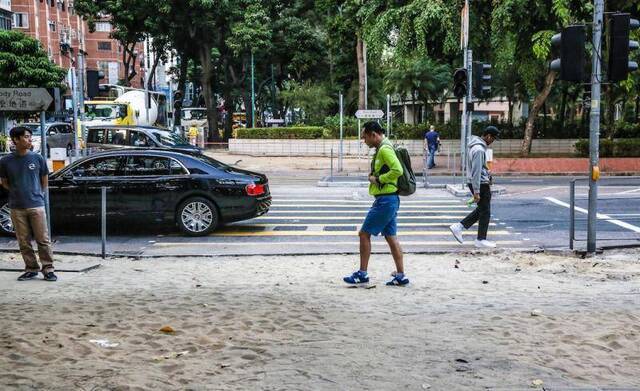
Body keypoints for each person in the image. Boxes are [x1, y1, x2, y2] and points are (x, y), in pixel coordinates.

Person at [343, 121, 409, 287]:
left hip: (385, 200)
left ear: (373, 134)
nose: (364, 141)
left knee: (364, 234)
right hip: (390, 199)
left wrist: (378, 179)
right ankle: (401, 276)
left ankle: (362, 274)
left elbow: (398, 170)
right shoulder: (383, 147)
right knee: (391, 237)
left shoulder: (385, 149)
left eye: (364, 137)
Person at [0, 127, 57, 281]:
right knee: (23, 240)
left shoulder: (37, 158)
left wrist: (37, 193)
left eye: (30, 137)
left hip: (36, 204)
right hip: (16, 206)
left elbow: (44, 179)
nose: (30, 139)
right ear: (16, 140)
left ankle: (48, 269)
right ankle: (31, 268)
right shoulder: (5, 161)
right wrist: (17, 191)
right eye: (26, 137)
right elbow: (4, 182)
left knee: (43, 239)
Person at [449, 125, 500, 248]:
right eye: (492, 139)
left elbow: (480, 168)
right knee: (485, 211)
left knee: (482, 209)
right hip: (480, 184)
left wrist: (487, 174)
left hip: (479, 183)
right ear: (488, 136)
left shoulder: (476, 147)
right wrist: (476, 191)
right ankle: (480, 239)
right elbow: (476, 171)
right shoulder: (479, 150)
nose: (492, 142)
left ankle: (460, 226)